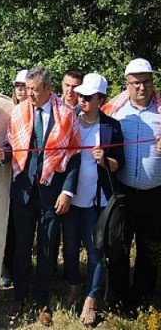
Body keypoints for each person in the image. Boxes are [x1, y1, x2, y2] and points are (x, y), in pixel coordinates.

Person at [0, 66, 81, 327]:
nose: (29, 94)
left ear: (48, 90)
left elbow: (74, 155)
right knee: (21, 248)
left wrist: (67, 191)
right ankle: (19, 295)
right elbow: (12, 147)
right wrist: (3, 156)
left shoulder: (65, 114)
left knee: (46, 248)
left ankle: (42, 300)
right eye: (27, 89)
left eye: (35, 90)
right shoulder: (18, 112)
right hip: (23, 191)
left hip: (51, 193)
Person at [59, 73, 124, 327]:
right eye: (81, 95)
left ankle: (91, 298)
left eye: (88, 97)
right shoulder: (69, 120)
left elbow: (120, 164)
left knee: (96, 250)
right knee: (71, 247)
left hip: (97, 201)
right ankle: (74, 286)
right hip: (71, 198)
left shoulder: (111, 127)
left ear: (101, 99)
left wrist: (104, 160)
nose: (81, 99)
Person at [102, 58, 161, 313]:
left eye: (146, 82)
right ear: (126, 85)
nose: (141, 88)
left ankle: (143, 300)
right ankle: (119, 297)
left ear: (152, 83)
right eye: (135, 83)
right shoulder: (114, 112)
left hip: (154, 193)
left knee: (149, 250)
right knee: (119, 246)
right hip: (123, 192)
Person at [0, 69, 29, 289]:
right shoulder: (8, 110)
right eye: (18, 85)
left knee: (22, 231)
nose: (20, 89)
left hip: (26, 179)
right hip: (4, 177)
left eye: (24, 85)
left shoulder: (35, 112)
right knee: (7, 227)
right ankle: (6, 267)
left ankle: (21, 271)